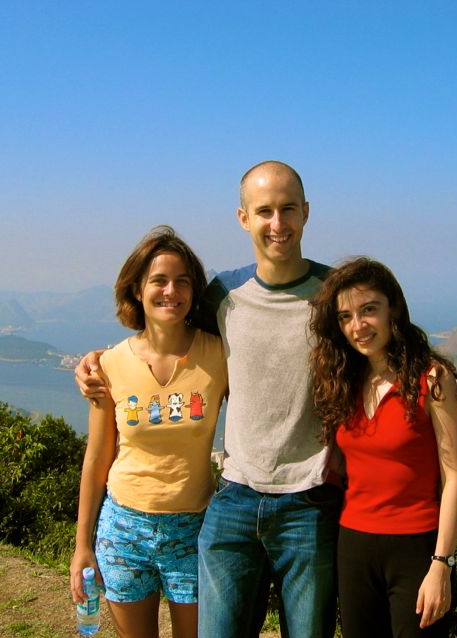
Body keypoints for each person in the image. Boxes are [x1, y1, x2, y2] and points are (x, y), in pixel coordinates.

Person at [75, 160, 341, 638]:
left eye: (287, 210)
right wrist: (97, 360)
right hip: (218, 504)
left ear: (305, 212)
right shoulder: (224, 296)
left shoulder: (332, 293)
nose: (276, 224)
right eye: (264, 211)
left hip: (297, 502)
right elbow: (161, 332)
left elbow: (380, 346)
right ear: (244, 218)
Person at [69, 226, 228, 638]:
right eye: (158, 280)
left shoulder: (218, 353)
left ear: (194, 291)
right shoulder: (109, 365)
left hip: (192, 528)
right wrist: (81, 545)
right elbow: (97, 458)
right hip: (124, 529)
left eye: (182, 281)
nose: (170, 290)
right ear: (137, 289)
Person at [309, 257, 457, 638]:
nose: (358, 326)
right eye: (346, 316)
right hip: (353, 545)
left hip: (416, 547)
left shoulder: (432, 379)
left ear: (392, 309)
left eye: (369, 310)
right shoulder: (343, 381)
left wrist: (441, 564)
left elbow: (455, 476)